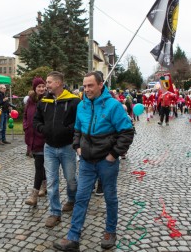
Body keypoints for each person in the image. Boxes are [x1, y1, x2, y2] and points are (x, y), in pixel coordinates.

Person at [54, 72, 135, 251]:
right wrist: (77, 146)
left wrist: (113, 154)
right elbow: (77, 130)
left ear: (100, 85)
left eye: (91, 85)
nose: (87, 89)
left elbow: (127, 131)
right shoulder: (82, 105)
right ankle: (73, 237)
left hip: (107, 161)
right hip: (86, 162)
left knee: (110, 197)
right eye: (85, 85)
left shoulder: (113, 106)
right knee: (81, 197)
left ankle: (110, 231)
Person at [33, 71, 80, 228]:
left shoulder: (74, 101)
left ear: (59, 83)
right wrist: (43, 129)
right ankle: (55, 213)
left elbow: (79, 122)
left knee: (71, 179)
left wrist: (67, 130)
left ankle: (72, 199)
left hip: (67, 148)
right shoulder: (43, 102)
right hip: (49, 148)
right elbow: (36, 120)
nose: (47, 85)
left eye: (49, 82)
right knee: (52, 182)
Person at [24, 77, 47, 206]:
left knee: (39, 165)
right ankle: (44, 185)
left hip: (43, 138)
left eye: (43, 86)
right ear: (34, 88)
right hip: (32, 137)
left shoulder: (48, 99)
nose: (41, 89)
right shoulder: (30, 101)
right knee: (40, 164)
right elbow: (26, 116)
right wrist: (25, 127)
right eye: (39, 87)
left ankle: (34, 194)